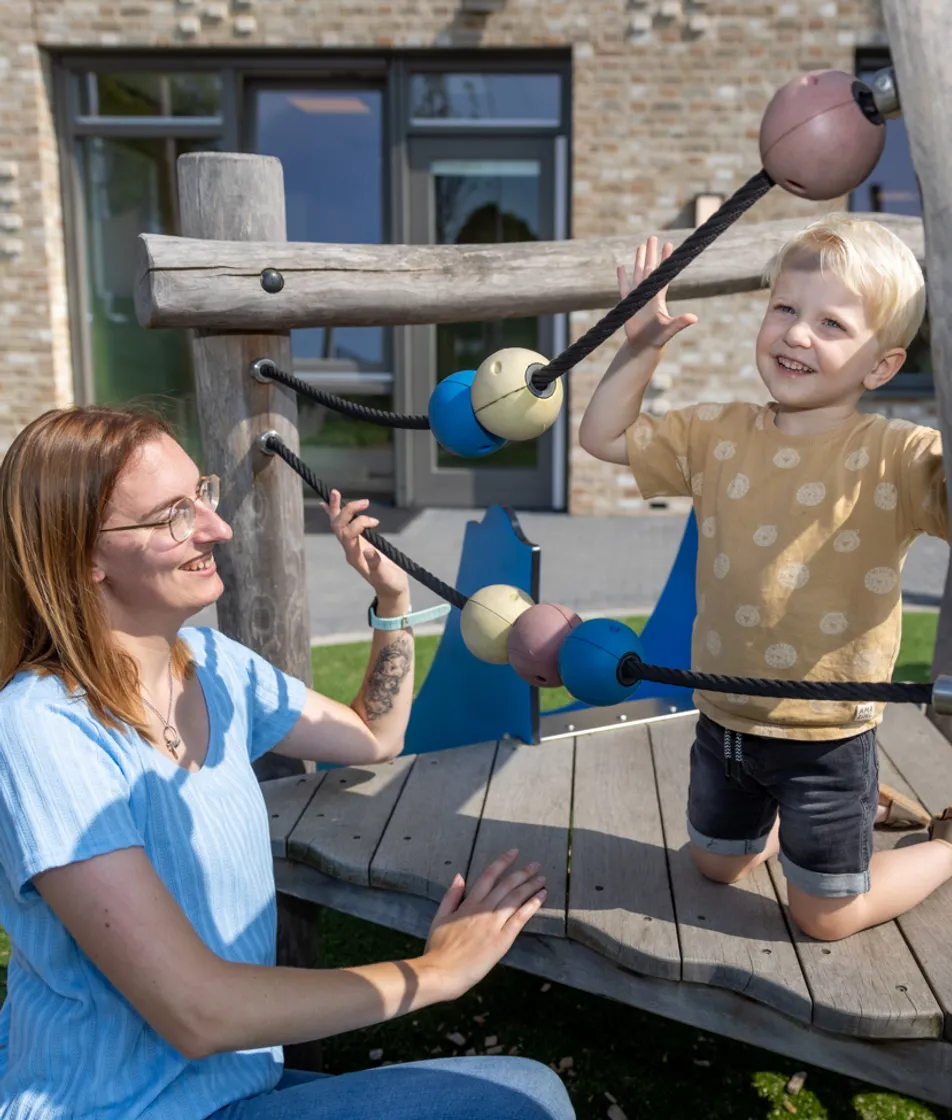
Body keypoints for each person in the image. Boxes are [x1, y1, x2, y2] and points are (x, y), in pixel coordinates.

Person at [0, 406, 574, 1120]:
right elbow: (197, 1011)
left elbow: (373, 735)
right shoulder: (43, 728)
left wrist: (391, 602)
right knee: (524, 1100)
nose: (217, 528)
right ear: (82, 554)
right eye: (171, 516)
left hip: (237, 1090)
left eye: (201, 493)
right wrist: (434, 974)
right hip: (117, 1109)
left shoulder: (213, 667)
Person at [579, 215, 952, 942]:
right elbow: (603, 438)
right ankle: (846, 815)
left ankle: (944, 844)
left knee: (825, 917)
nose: (796, 334)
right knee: (715, 866)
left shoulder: (900, 457)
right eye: (784, 308)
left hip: (826, 739)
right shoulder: (717, 434)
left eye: (831, 323)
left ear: (881, 366)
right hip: (722, 719)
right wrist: (640, 348)